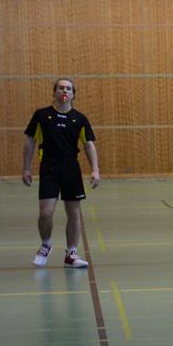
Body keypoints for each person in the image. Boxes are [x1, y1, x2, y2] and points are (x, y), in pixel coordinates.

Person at [22, 78, 100, 268]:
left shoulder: (80, 119)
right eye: (61, 88)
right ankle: (45, 244)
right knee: (46, 212)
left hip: (71, 169)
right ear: (54, 92)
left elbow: (89, 145)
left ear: (73, 94)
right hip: (49, 169)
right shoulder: (42, 115)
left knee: (73, 212)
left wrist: (95, 169)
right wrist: (26, 167)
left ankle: (71, 253)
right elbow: (30, 141)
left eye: (68, 88)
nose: (65, 91)